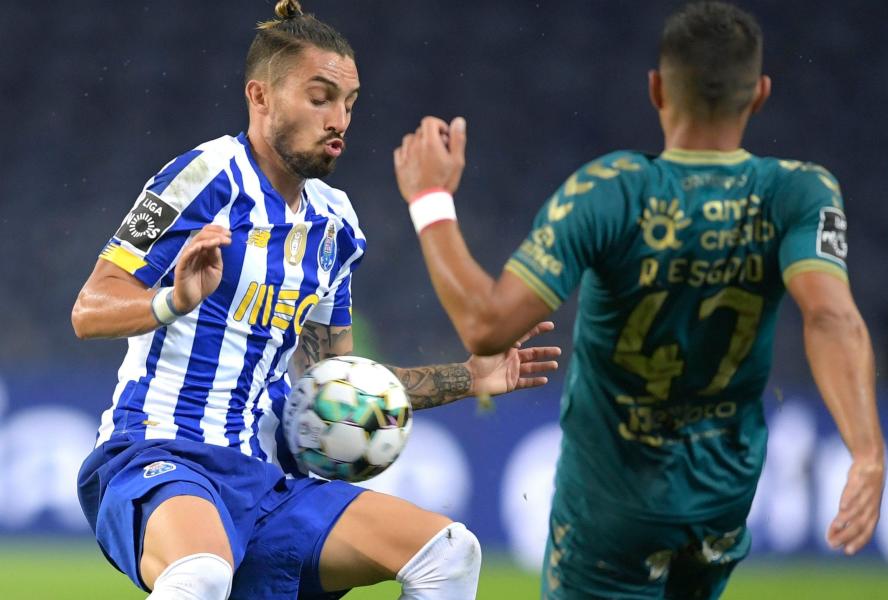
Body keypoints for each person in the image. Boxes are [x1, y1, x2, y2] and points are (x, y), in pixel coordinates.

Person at [393, 2, 885, 598]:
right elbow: (831, 314)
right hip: (720, 504)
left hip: (611, 508)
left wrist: (428, 199)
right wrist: (866, 449)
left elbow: (486, 324)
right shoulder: (802, 191)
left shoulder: (608, 191)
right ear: (758, 94)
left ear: (656, 89)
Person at [71, 2, 559, 599]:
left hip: (266, 480)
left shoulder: (336, 225)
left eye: (349, 104)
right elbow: (90, 308)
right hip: (159, 452)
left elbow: (331, 386)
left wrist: (470, 377)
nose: (340, 120)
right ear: (261, 97)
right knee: (200, 574)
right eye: (321, 97)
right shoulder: (204, 176)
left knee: (449, 553)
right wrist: (174, 299)